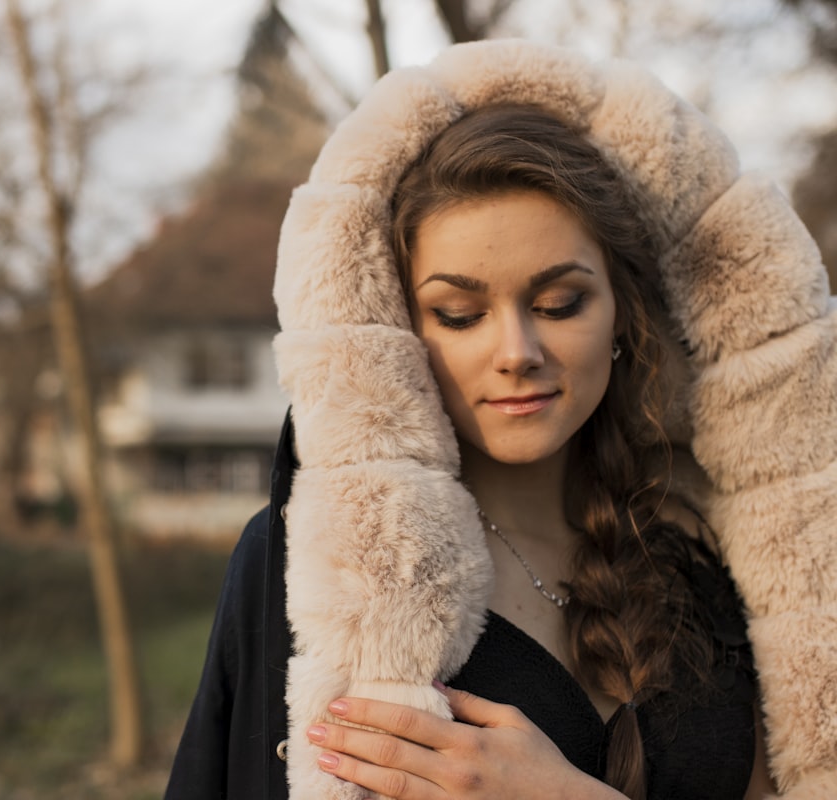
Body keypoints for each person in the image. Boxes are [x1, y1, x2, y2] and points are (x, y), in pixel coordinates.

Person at [165, 40, 837, 800]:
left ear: (621, 315)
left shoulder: (701, 556)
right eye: (459, 314)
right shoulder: (314, 566)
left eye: (560, 304)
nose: (517, 352)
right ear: (399, 332)